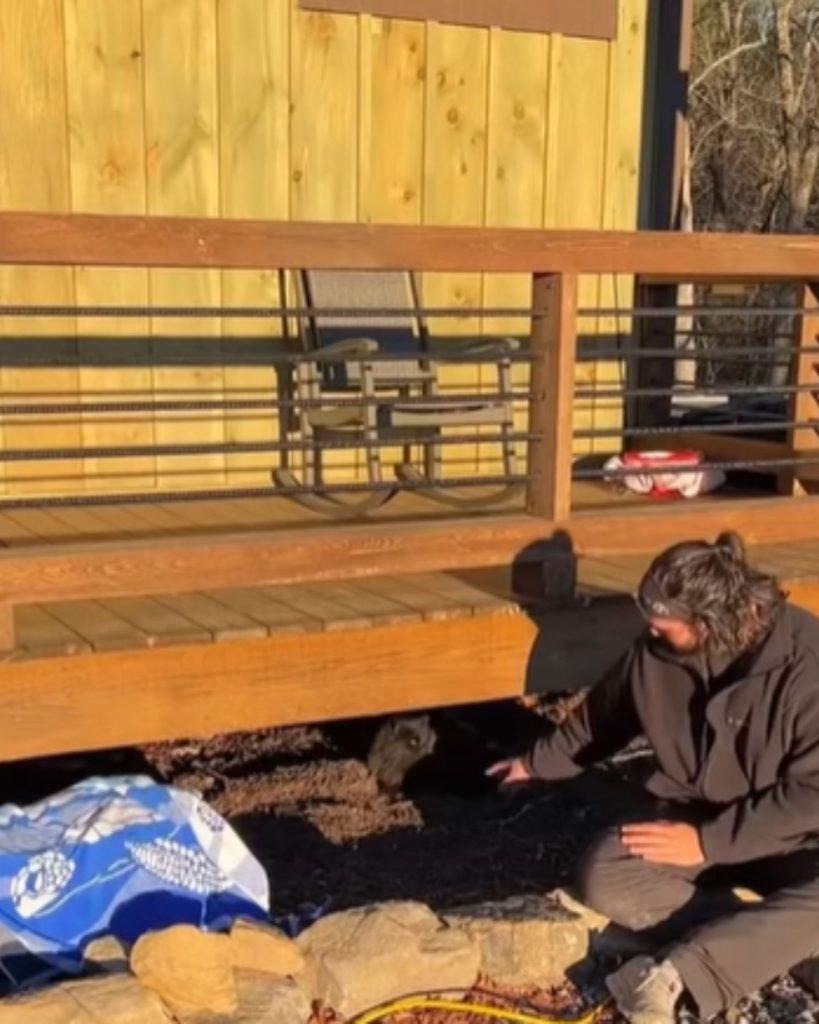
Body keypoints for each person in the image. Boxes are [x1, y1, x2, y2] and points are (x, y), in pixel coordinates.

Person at [489, 531, 819, 1024]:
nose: (652, 633)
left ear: (712, 623)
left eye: (666, 626)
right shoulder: (655, 652)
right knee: (606, 875)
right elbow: (605, 716)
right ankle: (776, 938)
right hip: (695, 819)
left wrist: (709, 843)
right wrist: (536, 763)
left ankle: (678, 973)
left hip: (793, 838)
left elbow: (812, 794)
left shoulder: (807, 663)